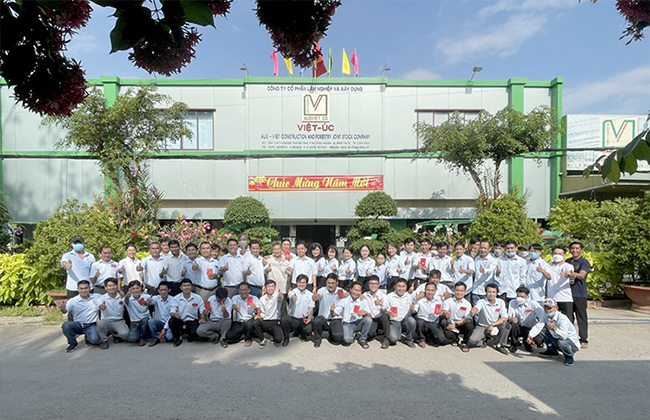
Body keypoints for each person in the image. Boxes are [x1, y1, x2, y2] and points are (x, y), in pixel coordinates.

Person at [529, 298, 580, 366]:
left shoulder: (562, 318)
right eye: (545, 307)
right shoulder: (545, 315)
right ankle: (551, 350)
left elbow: (564, 336)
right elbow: (539, 326)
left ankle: (569, 356)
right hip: (556, 338)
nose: (547, 310)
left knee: (562, 342)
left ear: (556, 308)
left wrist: (555, 329)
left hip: (570, 342)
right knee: (542, 328)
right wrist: (530, 336)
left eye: (549, 308)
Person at [468, 283, 510, 354]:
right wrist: (474, 311)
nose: (491, 294)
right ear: (486, 292)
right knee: (472, 340)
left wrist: (493, 325)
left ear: (497, 293)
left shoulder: (501, 302)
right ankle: (485, 340)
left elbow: (505, 317)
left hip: (495, 325)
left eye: (493, 292)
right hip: (482, 326)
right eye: (489, 292)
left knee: (506, 325)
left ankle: (500, 345)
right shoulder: (481, 302)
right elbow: (477, 308)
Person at [61, 280, 101, 352]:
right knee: (66, 325)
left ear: (90, 288)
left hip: (91, 325)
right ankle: (72, 343)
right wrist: (62, 308)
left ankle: (88, 338)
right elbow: (65, 311)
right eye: (81, 289)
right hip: (78, 325)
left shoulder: (97, 297)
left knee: (94, 340)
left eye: (86, 288)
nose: (84, 290)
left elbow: (107, 299)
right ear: (78, 290)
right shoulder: (73, 301)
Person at [334, 281, 372, 348]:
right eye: (355, 290)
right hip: (348, 323)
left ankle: (362, 339)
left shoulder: (363, 300)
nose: (356, 292)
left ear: (361, 292)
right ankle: (354, 334)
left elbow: (369, 314)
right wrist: (332, 310)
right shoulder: (345, 300)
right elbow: (336, 312)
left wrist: (365, 313)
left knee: (368, 320)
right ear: (351, 290)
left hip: (358, 322)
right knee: (347, 340)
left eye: (358, 291)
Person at [168, 279, 206, 347]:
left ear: (192, 287)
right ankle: (177, 338)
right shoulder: (176, 298)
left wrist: (203, 317)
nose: (186, 287)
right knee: (172, 321)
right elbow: (172, 311)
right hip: (181, 321)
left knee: (195, 332)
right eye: (184, 286)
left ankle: (191, 335)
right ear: (181, 287)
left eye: (188, 285)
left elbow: (202, 310)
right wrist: (174, 314)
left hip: (193, 321)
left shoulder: (197, 298)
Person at [567, 241, 591, 348]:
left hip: (579, 294)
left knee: (581, 317)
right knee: (568, 317)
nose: (574, 250)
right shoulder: (567, 261)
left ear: (582, 250)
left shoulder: (584, 262)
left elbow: (582, 275)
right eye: (572, 248)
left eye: (577, 248)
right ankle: (569, 337)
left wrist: (572, 274)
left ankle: (583, 339)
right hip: (566, 294)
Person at [312, 274, 346, 347]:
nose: (330, 285)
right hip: (323, 318)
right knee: (316, 321)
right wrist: (315, 297)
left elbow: (349, 295)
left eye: (333, 283)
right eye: (329, 283)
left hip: (335, 318)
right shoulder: (322, 290)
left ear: (337, 283)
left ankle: (332, 334)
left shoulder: (340, 290)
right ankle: (318, 338)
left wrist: (348, 294)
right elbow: (318, 296)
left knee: (338, 337)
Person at [415, 282, 453, 347]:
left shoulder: (439, 301)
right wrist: (412, 309)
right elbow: (414, 310)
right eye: (428, 290)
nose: (430, 292)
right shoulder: (420, 301)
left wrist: (443, 314)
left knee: (442, 340)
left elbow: (444, 312)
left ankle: (454, 339)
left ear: (435, 291)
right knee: (420, 321)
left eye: (432, 290)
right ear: (425, 290)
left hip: (434, 323)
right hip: (422, 323)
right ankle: (421, 339)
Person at [280, 274, 315, 346]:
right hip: (293, 318)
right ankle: (286, 338)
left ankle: (301, 333)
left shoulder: (310, 294)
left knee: (308, 328)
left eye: (303, 283)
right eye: (299, 282)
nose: (301, 284)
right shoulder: (292, 292)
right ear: (296, 283)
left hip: (303, 318)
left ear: (306, 283)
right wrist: (294, 298)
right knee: (284, 319)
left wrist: (309, 318)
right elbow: (292, 296)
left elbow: (311, 307)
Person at [508, 286, 545, 353]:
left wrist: (536, 329)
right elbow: (510, 315)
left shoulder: (534, 304)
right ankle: (514, 344)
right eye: (518, 296)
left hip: (529, 328)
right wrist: (512, 319)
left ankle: (526, 342)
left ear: (527, 296)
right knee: (513, 325)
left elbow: (542, 317)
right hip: (518, 327)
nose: (519, 298)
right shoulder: (512, 302)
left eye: (522, 297)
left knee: (538, 341)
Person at [96, 278, 129, 349]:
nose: (112, 287)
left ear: (117, 286)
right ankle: (104, 340)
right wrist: (102, 306)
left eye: (114, 285)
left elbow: (126, 302)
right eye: (109, 286)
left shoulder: (121, 296)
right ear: (105, 288)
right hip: (106, 321)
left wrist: (127, 296)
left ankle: (115, 335)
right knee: (100, 323)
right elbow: (99, 305)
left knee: (125, 334)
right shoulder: (102, 298)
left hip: (118, 321)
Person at [441, 282, 475, 353]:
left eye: (461, 291)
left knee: (470, 324)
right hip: (450, 324)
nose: (459, 293)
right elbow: (445, 311)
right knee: (443, 322)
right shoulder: (447, 301)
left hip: (460, 324)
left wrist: (456, 324)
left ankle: (464, 342)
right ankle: (455, 339)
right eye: (457, 290)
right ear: (454, 290)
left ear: (465, 292)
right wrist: (446, 314)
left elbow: (468, 318)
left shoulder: (467, 304)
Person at [61, 235, 96, 300]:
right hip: (73, 287)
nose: (78, 245)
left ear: (83, 243)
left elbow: (93, 271)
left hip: (87, 288)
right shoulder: (68, 255)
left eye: (79, 243)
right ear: (72, 244)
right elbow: (64, 262)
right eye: (76, 243)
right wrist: (67, 265)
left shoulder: (90, 256)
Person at [385, 278, 416, 348]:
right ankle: (397, 333)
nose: (401, 289)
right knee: (393, 339)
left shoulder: (410, 296)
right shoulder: (389, 296)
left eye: (403, 286)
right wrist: (388, 312)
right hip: (395, 320)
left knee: (412, 321)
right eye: (399, 286)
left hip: (405, 319)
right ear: (394, 287)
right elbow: (385, 308)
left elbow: (415, 306)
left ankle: (409, 340)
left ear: (406, 287)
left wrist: (413, 310)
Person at [253, 280, 285, 348]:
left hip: (275, 322)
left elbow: (280, 297)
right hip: (265, 321)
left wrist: (281, 295)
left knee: (278, 340)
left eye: (272, 286)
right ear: (265, 288)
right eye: (268, 286)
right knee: (255, 322)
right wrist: (259, 316)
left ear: (275, 288)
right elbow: (262, 312)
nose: (270, 288)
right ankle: (262, 339)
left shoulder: (277, 296)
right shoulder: (262, 299)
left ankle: (272, 334)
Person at [226, 282, 259, 346]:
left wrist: (255, 308)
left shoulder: (254, 298)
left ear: (249, 290)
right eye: (241, 290)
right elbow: (233, 305)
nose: (243, 292)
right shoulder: (235, 298)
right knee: (229, 337)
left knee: (249, 324)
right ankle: (244, 335)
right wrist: (236, 307)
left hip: (250, 320)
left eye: (245, 290)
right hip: (239, 321)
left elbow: (259, 311)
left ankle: (248, 339)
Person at [547, 246, 574, 318]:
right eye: (555, 253)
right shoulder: (548, 265)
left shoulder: (568, 266)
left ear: (564, 255)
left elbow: (570, 274)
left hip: (565, 298)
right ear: (552, 254)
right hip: (551, 298)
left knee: (567, 319)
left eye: (560, 254)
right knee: (552, 319)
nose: (557, 256)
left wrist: (566, 275)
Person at [363, 275, 390, 349]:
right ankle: (375, 333)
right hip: (372, 318)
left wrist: (381, 304)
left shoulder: (382, 295)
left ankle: (386, 338)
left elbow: (387, 309)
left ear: (378, 285)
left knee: (385, 316)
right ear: (368, 284)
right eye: (371, 283)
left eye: (375, 284)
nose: (373, 286)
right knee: (370, 333)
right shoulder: (365, 295)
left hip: (381, 318)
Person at [146, 281, 176, 347]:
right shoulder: (156, 298)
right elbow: (150, 302)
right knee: (151, 321)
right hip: (159, 323)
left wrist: (165, 328)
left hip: (169, 324)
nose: (163, 292)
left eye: (165, 290)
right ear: (158, 291)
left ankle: (168, 334)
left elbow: (171, 316)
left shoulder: (173, 299)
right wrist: (148, 301)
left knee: (169, 337)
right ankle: (156, 338)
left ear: (169, 290)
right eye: (161, 290)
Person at [123, 280, 151, 346]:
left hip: (145, 320)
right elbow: (126, 301)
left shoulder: (146, 296)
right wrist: (127, 296)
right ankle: (141, 334)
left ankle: (143, 337)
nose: (136, 290)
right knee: (132, 339)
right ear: (130, 289)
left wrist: (149, 301)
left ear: (141, 288)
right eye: (133, 289)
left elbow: (153, 299)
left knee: (145, 320)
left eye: (137, 288)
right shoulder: (128, 299)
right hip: (135, 323)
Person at [472, 240, 497, 305]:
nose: (483, 250)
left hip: (486, 292)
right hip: (476, 290)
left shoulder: (493, 260)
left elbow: (490, 270)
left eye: (485, 248)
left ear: (489, 249)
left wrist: (484, 271)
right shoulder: (477, 259)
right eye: (481, 248)